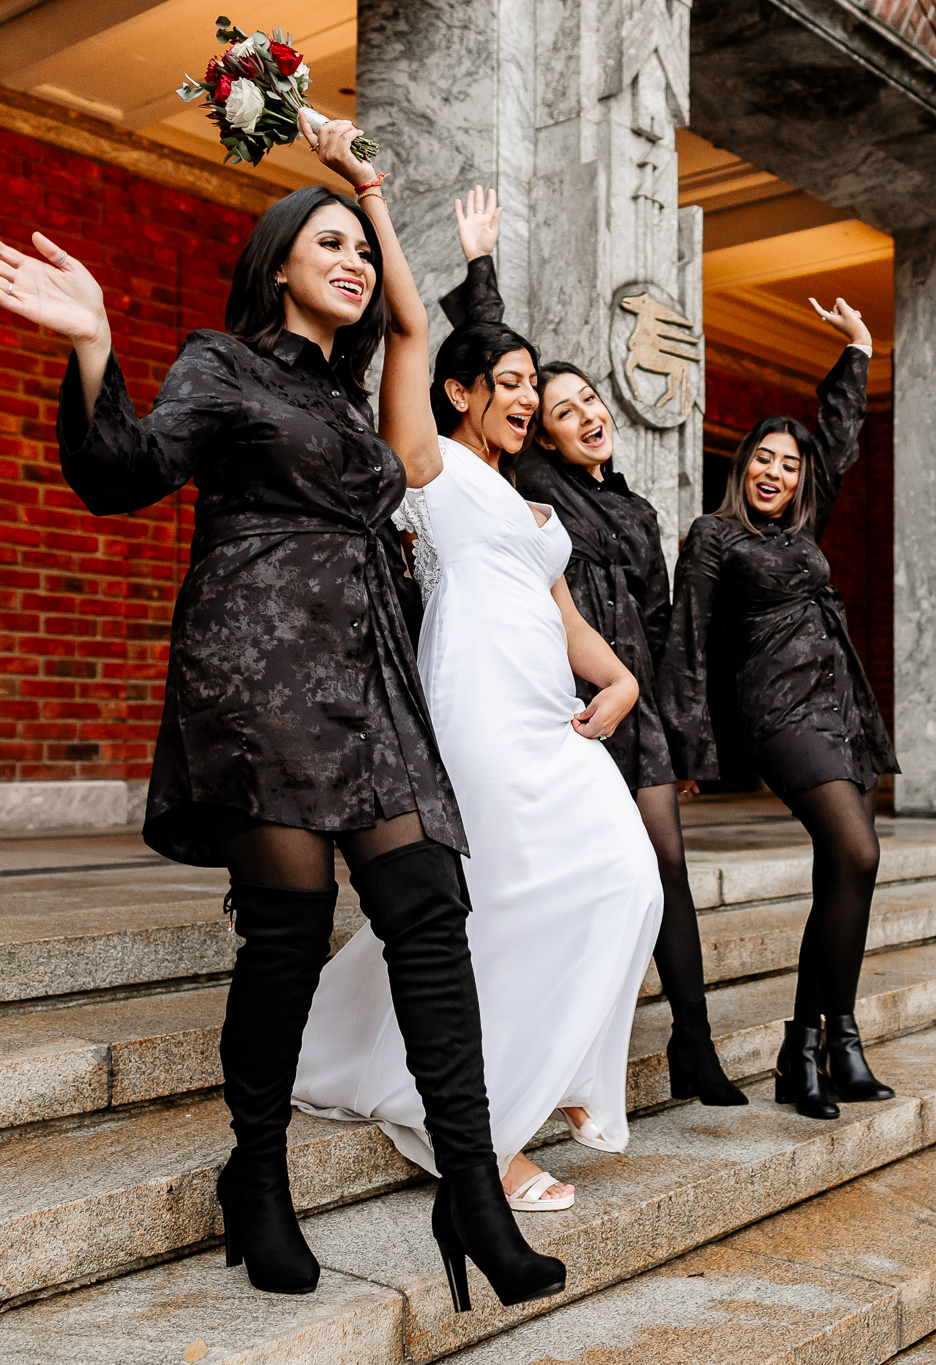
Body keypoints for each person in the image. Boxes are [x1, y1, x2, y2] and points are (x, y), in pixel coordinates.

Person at [0, 123, 563, 1311]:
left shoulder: (354, 393)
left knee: (426, 907)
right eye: (325, 241)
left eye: (360, 250)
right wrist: (93, 347)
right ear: (277, 262)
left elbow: (411, 326)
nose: (353, 261)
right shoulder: (221, 363)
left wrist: (373, 192)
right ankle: (258, 1176)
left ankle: (471, 1187)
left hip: (367, 663)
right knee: (285, 931)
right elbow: (124, 470)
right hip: (258, 660)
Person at [292, 205, 663, 1217]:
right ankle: (485, 1139)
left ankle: (576, 1068)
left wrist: (621, 682)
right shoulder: (433, 467)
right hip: (473, 699)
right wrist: (373, 206)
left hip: (550, 712)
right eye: (505, 383)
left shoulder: (536, 507)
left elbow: (568, 617)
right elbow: (409, 340)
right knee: (501, 901)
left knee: (629, 881)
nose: (525, 398)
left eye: (531, 386)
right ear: (460, 393)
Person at [438, 193, 745, 1107]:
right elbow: (496, 376)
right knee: (580, 868)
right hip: (560, 700)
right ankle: (557, 1046)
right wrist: (480, 268)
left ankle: (692, 1040)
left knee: (663, 865)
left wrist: (679, 734)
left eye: (586, 402)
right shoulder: (528, 482)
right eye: (559, 407)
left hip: (630, 699)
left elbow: (664, 628)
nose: (576, 414)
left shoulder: (640, 510)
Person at [657, 300, 899, 1121]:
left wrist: (858, 350)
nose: (778, 473)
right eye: (764, 459)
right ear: (742, 466)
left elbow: (836, 443)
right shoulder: (714, 539)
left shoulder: (803, 530)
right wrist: (685, 749)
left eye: (789, 466)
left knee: (846, 871)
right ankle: (816, 1042)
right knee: (858, 851)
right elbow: (686, 642)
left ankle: (821, 1045)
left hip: (839, 706)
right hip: (777, 713)